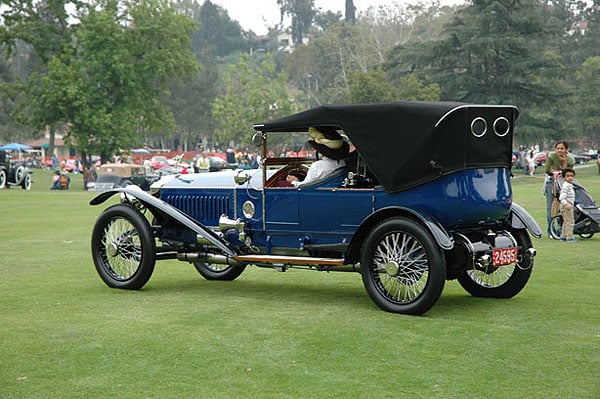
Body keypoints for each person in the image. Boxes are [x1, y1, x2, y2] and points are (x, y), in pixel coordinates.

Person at [543, 140, 575, 238]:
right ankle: (550, 231)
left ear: (566, 150)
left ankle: (562, 231)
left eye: (562, 148)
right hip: (552, 183)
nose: (559, 151)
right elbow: (547, 170)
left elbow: (568, 174)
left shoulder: (570, 160)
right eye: (558, 148)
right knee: (551, 208)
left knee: (563, 208)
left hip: (564, 185)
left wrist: (564, 162)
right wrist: (554, 172)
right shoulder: (551, 156)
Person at [559, 168, 577, 242]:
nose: (570, 177)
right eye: (568, 176)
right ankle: (569, 237)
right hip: (567, 206)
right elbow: (561, 197)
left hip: (567, 205)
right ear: (564, 177)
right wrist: (566, 205)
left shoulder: (569, 185)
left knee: (565, 221)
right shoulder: (566, 186)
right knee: (570, 221)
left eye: (571, 176)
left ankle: (563, 236)